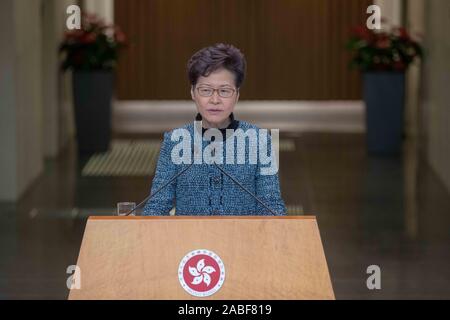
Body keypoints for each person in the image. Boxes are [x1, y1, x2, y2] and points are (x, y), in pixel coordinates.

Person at [143, 43, 286, 216]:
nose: (215, 100)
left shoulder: (259, 140)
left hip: (242, 240)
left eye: (224, 91)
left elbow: (271, 207)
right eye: (206, 90)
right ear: (193, 93)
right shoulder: (175, 141)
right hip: (190, 241)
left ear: (237, 95)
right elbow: (156, 207)